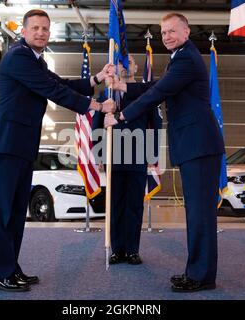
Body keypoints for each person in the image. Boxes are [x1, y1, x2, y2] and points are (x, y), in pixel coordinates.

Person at [0, 9, 115, 292]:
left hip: (21, 146)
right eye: (35, 28)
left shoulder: (35, 60)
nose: (41, 33)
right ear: (24, 31)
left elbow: (62, 84)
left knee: (17, 212)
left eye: (45, 28)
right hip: (6, 145)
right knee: (2, 211)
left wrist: (97, 78)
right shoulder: (19, 57)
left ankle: (11, 268)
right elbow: (54, 92)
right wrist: (96, 106)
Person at [105, 13, 225, 292]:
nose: (167, 36)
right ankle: (198, 272)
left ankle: (200, 276)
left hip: (198, 145)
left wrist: (121, 117)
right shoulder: (182, 57)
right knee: (197, 212)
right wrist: (123, 85)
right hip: (194, 145)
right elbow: (156, 87)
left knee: (200, 214)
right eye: (163, 32)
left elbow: (156, 95)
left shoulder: (185, 58)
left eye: (172, 31)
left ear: (186, 31)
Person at [94, 55, 161, 265]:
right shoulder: (106, 93)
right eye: (121, 63)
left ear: (136, 66)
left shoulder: (146, 94)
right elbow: (96, 125)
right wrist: (99, 154)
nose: (125, 66)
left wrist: (152, 155)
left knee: (133, 205)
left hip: (137, 155)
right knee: (115, 206)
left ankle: (132, 250)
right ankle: (117, 250)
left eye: (128, 62)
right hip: (114, 157)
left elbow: (155, 125)